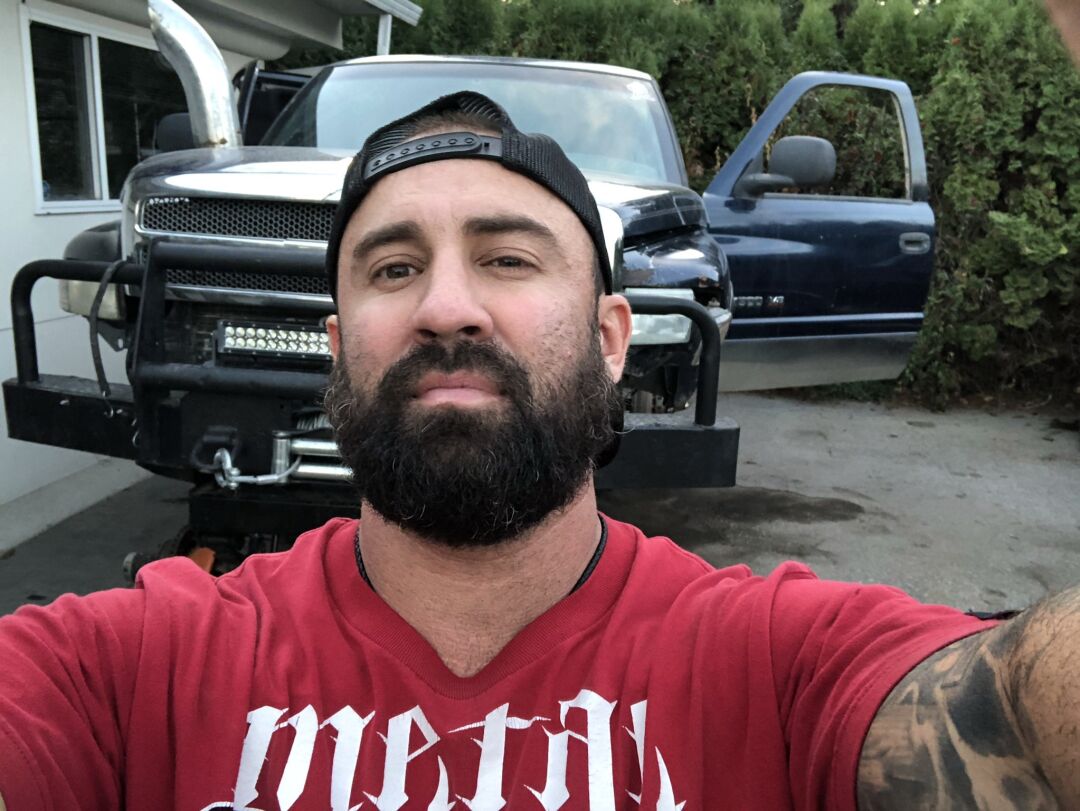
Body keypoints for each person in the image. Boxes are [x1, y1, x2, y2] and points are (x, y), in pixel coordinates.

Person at [0, 90, 1077, 810]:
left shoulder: (775, 666)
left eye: (509, 258)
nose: (446, 307)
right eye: (391, 269)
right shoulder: (130, 672)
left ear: (613, 339)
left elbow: (1024, 724)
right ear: (336, 351)